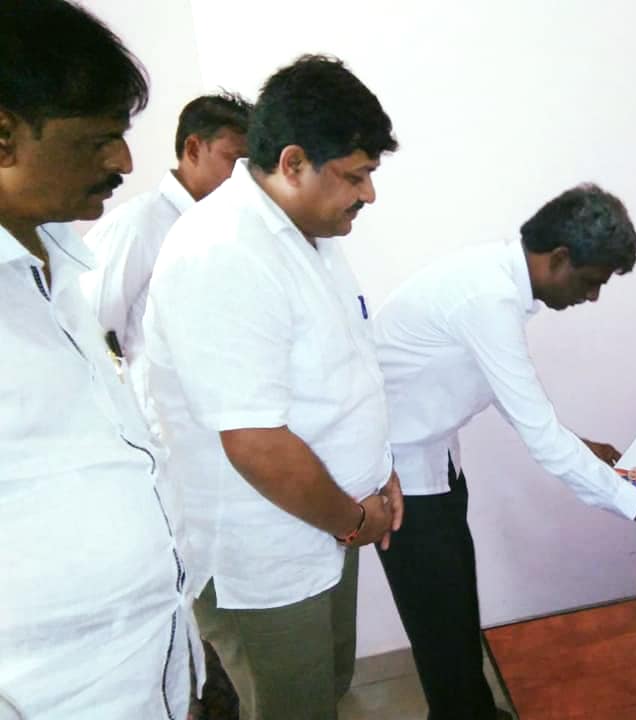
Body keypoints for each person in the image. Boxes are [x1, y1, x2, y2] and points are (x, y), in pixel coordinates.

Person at [373, 184, 636, 720]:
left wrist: (576, 442)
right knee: (441, 628)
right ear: (558, 258)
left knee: (455, 616)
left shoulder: (496, 283)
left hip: (436, 465)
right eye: (591, 281)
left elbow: (502, 390)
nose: (592, 297)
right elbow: (541, 437)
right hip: (403, 483)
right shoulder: (487, 298)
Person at [142, 54, 403, 720]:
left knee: (328, 685)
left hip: (331, 521)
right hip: (268, 550)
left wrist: (380, 472)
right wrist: (354, 521)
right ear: (292, 164)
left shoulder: (309, 229)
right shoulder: (222, 250)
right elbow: (255, 442)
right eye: (357, 176)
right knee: (292, 707)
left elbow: (345, 367)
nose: (369, 196)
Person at [0, 1, 194, 718]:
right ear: (3, 136)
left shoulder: (57, 259)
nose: (125, 162)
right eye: (99, 141)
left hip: (147, 667)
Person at [83, 91, 252, 416]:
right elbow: (91, 327)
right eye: (234, 159)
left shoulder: (229, 227)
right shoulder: (140, 224)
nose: (244, 176)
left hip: (219, 416)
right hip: (159, 428)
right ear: (192, 149)